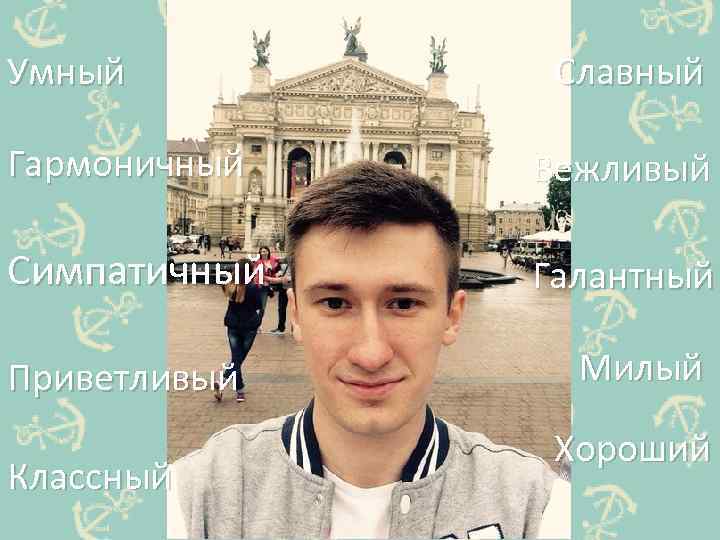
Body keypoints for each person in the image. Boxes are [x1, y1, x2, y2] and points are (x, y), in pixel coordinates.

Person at [167, 161, 570, 539]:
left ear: (452, 315)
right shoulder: (202, 495)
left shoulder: (533, 506)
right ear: (296, 315)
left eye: (404, 303)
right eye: (334, 303)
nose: (370, 354)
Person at [213, 260, 263, 403]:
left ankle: (235, 388)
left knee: (236, 359)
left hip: (233, 326)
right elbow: (259, 306)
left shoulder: (229, 285)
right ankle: (233, 387)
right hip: (249, 327)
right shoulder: (253, 288)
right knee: (238, 360)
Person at [251, 245, 279, 323]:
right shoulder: (257, 262)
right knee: (255, 306)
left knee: (263, 307)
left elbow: (275, 270)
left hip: (266, 287)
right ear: (260, 253)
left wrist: (275, 275)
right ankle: (254, 323)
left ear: (268, 252)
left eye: (265, 251)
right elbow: (256, 274)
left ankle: (258, 324)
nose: (263, 253)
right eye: (262, 251)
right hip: (258, 286)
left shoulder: (273, 261)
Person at [265, 261, 291, 335]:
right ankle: (281, 328)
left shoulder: (297, 261)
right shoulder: (285, 260)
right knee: (281, 308)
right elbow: (280, 270)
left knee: (294, 308)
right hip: (283, 288)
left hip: (293, 288)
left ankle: (294, 328)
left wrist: (287, 278)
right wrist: (278, 274)